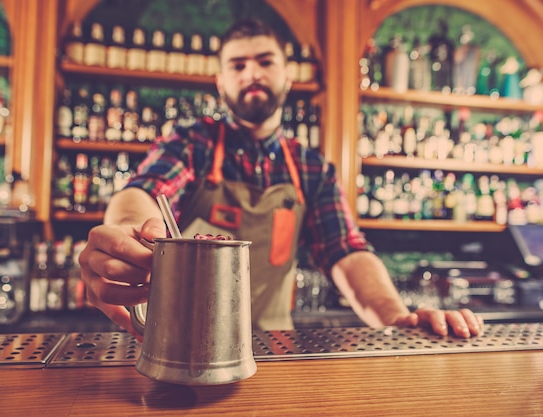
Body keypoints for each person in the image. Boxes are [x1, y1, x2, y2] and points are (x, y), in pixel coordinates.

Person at [79, 18, 484, 338]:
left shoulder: (312, 169)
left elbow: (346, 251)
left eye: (265, 61)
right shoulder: (191, 144)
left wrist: (397, 318)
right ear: (221, 83)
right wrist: (128, 233)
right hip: (184, 345)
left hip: (273, 350)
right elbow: (144, 192)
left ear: (288, 76)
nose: (251, 72)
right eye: (238, 65)